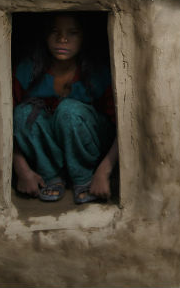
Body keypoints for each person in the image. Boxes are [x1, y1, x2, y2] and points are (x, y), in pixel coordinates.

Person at [12, 12, 118, 204]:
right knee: (21, 114)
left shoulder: (98, 73)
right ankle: (51, 175)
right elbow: (0, 124)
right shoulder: (28, 69)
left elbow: (124, 128)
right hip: (47, 151)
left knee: (68, 111)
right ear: (44, 35)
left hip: (91, 148)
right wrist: (22, 170)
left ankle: (83, 177)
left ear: (84, 38)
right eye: (55, 32)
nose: (62, 39)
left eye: (73, 33)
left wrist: (104, 171)